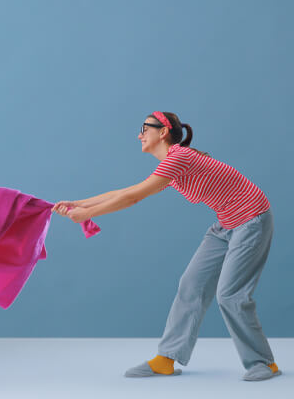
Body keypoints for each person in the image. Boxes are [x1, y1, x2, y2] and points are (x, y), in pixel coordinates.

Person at [52, 111, 280, 381]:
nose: (139, 135)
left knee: (231, 295)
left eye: (144, 129)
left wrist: (88, 214)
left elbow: (132, 198)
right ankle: (166, 360)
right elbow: (125, 191)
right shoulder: (172, 166)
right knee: (191, 285)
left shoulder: (180, 158)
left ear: (163, 132)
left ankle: (263, 363)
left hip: (251, 219)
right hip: (226, 225)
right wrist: (79, 204)